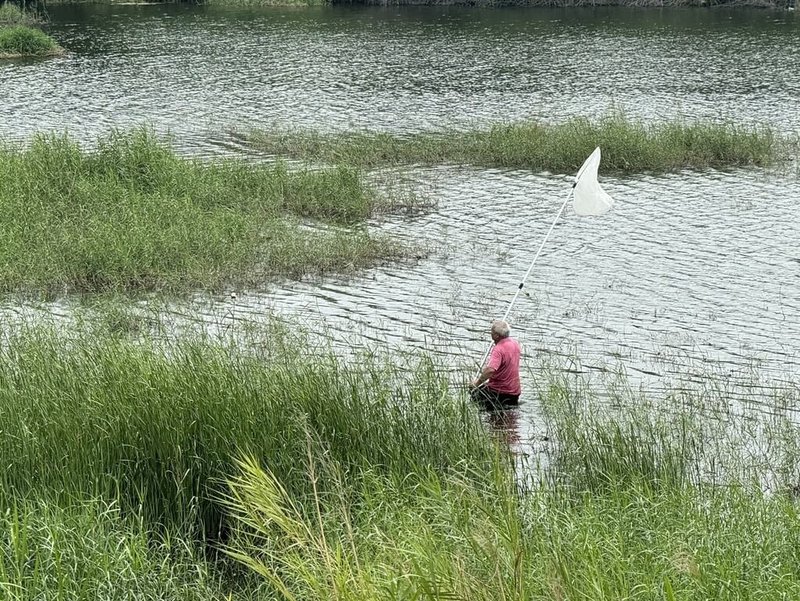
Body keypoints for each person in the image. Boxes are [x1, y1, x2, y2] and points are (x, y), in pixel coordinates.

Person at [470, 319, 521, 408]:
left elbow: (490, 370)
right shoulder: (515, 344)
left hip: (499, 393)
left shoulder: (498, 349)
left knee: (474, 395)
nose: (490, 334)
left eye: (491, 332)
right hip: (515, 393)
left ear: (496, 336)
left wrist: (476, 383)